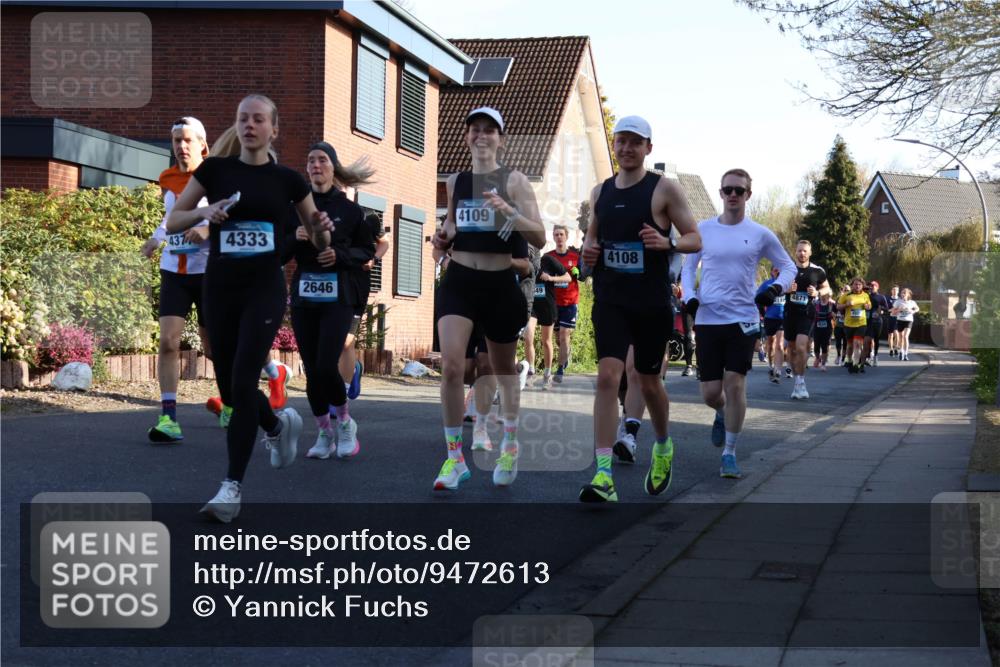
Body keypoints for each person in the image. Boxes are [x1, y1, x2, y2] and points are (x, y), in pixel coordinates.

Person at [167, 94, 331, 522]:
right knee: (231, 386)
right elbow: (174, 221)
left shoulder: (288, 181)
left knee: (242, 379)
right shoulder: (215, 171)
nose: (250, 125)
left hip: (264, 287)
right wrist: (209, 213)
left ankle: (231, 487)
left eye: (259, 119)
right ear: (236, 127)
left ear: (273, 129)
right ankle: (277, 427)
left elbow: (318, 239)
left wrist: (322, 230)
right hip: (220, 286)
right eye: (243, 118)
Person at [578, 115, 701, 503]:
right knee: (607, 378)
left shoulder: (664, 189)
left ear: (649, 148)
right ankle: (602, 476)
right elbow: (589, 248)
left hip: (650, 301)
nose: (627, 148)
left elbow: (695, 237)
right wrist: (588, 255)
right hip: (611, 299)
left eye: (636, 142)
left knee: (648, 382)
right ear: (614, 146)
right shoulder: (600, 193)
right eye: (621, 141)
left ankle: (662, 445)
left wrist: (668, 245)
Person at [431, 106, 546, 491]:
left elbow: (539, 238)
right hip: (459, 280)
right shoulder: (456, 180)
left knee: (502, 371)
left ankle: (510, 444)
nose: (481, 136)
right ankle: (454, 459)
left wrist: (511, 213)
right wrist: (442, 238)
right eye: (474, 130)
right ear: (467, 137)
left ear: (501, 139)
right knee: (451, 367)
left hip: (499, 284)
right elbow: (450, 224)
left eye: (489, 131)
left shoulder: (514, 180)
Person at [681, 168, 796, 479]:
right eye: (728, 190)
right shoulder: (702, 229)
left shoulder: (760, 233)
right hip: (707, 319)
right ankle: (720, 413)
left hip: (743, 319)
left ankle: (729, 454)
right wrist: (689, 297)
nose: (733, 195)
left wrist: (775, 288)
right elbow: (688, 269)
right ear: (720, 193)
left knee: (735, 385)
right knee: (710, 393)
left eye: (739, 191)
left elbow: (788, 267)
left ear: (748, 195)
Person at [289, 141, 375, 461]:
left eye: (322, 160)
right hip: (303, 297)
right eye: (310, 160)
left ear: (333, 168)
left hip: (337, 296)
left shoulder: (349, 210)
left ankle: (345, 421)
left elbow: (366, 251)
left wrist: (338, 254)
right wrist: (293, 236)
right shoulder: (295, 206)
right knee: (312, 370)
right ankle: (324, 431)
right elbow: (280, 250)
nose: (315, 165)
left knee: (327, 365)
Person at [141, 117, 212, 443]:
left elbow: (231, 211)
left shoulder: (214, 177)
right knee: (168, 341)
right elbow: (169, 217)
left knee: (214, 347)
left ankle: (231, 402)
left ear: (202, 145)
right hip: (174, 270)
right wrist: (157, 239)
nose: (181, 147)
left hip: (208, 270)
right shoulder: (167, 178)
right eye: (176, 141)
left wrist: (208, 229)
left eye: (187, 141)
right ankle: (169, 417)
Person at [337, 209, 389, 402]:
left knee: (345, 341)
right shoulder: (321, 209)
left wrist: (374, 259)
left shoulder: (367, 216)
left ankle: (342, 392)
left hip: (356, 285)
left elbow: (384, 243)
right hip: (328, 284)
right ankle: (353, 368)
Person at [783, 240, 829, 400]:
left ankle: (801, 381)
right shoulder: (788, 270)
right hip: (790, 314)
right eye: (799, 251)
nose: (802, 253)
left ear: (810, 253)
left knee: (802, 348)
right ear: (795, 252)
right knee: (792, 349)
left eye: (805, 251)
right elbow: (777, 287)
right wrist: (786, 289)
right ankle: (797, 381)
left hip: (806, 314)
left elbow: (827, 288)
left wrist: (817, 293)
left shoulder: (817, 271)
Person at [525, 249, 569, 389]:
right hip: (532, 305)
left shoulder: (548, 260)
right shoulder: (524, 262)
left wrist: (550, 278)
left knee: (546, 341)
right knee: (528, 336)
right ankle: (531, 372)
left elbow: (567, 277)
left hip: (547, 305)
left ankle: (547, 374)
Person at [545, 225, 583, 384]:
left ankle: (559, 371)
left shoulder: (575, 256)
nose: (559, 237)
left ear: (566, 236)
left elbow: (583, 276)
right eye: (556, 235)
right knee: (557, 339)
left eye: (561, 234)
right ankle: (565, 357)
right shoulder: (548, 256)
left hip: (570, 301)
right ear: (553, 237)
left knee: (564, 336)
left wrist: (578, 273)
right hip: (553, 302)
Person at [756, 265, 786, 384]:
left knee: (779, 344)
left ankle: (778, 370)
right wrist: (762, 312)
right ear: (771, 272)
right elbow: (757, 298)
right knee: (771, 344)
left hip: (782, 318)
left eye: (779, 270)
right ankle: (771, 365)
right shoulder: (766, 284)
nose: (777, 272)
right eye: (775, 270)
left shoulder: (786, 284)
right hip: (770, 318)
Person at [837, 277, 872, 373]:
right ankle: (849, 360)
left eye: (859, 285)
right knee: (849, 345)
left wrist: (867, 306)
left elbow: (869, 305)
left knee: (857, 344)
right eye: (855, 284)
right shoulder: (846, 295)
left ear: (862, 286)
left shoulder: (865, 295)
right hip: (848, 324)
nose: (857, 286)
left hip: (861, 323)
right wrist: (846, 305)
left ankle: (856, 364)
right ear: (852, 285)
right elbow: (838, 306)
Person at [865, 280, 890, 366]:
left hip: (877, 321)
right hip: (868, 320)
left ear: (877, 287)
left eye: (873, 286)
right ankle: (868, 356)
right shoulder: (866, 296)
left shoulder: (881, 297)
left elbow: (887, 308)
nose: (872, 287)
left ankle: (875, 356)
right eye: (870, 286)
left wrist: (881, 310)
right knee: (868, 339)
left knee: (876, 339)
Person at [891, 287, 919, 360]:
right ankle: (901, 352)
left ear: (908, 294)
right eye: (902, 293)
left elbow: (917, 308)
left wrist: (912, 311)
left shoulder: (912, 302)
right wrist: (899, 309)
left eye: (904, 293)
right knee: (901, 337)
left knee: (906, 336)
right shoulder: (898, 302)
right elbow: (893, 312)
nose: (903, 294)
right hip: (900, 320)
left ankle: (906, 354)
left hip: (909, 320)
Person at [812, 288, 835, 371]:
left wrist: (834, 315)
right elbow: (810, 312)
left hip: (827, 328)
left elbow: (838, 313)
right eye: (821, 294)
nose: (823, 296)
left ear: (828, 295)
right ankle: (818, 358)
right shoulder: (815, 303)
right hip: (817, 327)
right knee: (816, 347)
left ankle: (823, 364)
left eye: (825, 294)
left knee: (825, 346)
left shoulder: (832, 304)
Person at [833, 284, 849, 365]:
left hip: (847, 325)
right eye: (844, 290)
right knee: (838, 342)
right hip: (839, 324)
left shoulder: (850, 300)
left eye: (847, 290)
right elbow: (833, 310)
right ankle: (839, 355)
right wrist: (835, 315)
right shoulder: (838, 299)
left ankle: (843, 359)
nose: (846, 291)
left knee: (846, 343)